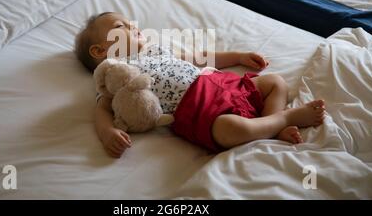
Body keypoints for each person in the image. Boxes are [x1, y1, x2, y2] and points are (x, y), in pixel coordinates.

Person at [75, 12, 325, 158]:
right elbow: (102, 109)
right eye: (121, 27)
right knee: (232, 129)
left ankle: (269, 124)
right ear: (99, 50)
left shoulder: (156, 50)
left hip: (218, 82)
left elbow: (199, 58)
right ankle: (283, 119)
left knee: (275, 82)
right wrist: (107, 132)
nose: (133, 27)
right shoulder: (115, 75)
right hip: (198, 110)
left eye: (131, 23)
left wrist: (237, 57)